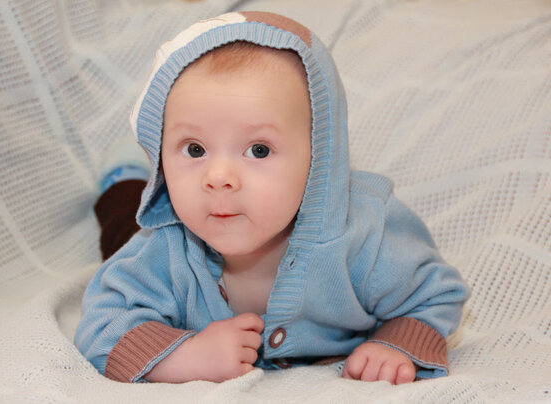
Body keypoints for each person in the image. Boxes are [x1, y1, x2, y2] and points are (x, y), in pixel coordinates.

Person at [75, 11, 470, 385]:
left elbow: (434, 296)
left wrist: (397, 342)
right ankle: (124, 177)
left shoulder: (366, 236)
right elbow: (102, 327)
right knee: (121, 225)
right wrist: (184, 357)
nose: (218, 178)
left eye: (258, 150)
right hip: (142, 227)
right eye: (195, 149)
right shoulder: (162, 246)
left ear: (320, 158)